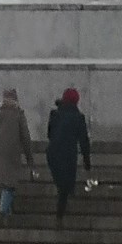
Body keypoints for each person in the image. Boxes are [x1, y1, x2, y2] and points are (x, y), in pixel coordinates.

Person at [0, 87, 33, 221]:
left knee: (5, 181)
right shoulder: (18, 115)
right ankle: (4, 210)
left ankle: (8, 213)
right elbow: (25, 137)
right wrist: (29, 157)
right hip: (12, 152)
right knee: (10, 183)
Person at [45, 86, 92, 220]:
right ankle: (60, 216)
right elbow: (84, 141)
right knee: (66, 186)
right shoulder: (78, 118)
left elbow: (49, 134)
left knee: (62, 185)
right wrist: (87, 162)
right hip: (68, 155)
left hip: (53, 153)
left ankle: (61, 210)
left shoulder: (54, 114)